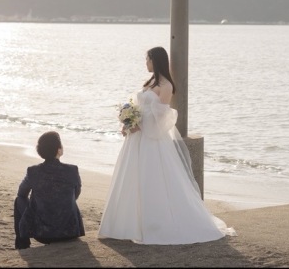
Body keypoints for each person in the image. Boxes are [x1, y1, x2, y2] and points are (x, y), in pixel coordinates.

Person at [98, 46, 236, 244]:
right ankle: (126, 225)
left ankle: (154, 225)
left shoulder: (166, 86)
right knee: (131, 177)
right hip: (136, 137)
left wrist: (139, 123)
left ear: (156, 60)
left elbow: (162, 117)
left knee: (152, 179)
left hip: (151, 139)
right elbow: (139, 107)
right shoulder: (149, 82)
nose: (146, 63)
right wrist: (128, 122)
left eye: (148, 60)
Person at [14, 131, 86, 249]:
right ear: (59, 150)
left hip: (42, 234)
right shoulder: (72, 170)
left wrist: (38, 201)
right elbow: (75, 195)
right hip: (71, 232)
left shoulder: (33, 171)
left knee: (19, 200)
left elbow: (21, 194)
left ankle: (22, 244)